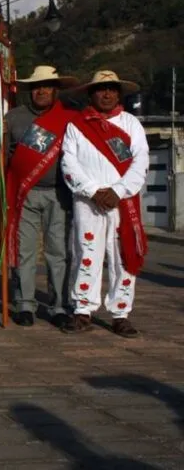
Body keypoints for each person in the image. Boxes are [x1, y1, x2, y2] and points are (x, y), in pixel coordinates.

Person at [61, 71, 149, 338]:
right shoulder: (76, 125)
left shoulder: (131, 124)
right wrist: (93, 190)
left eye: (111, 89)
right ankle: (83, 310)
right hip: (88, 203)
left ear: (119, 93)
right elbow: (69, 162)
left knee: (122, 256)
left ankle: (120, 313)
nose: (107, 94)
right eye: (101, 89)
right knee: (86, 254)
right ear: (91, 94)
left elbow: (141, 161)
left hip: (123, 202)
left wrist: (118, 191)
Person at [5, 66, 79, 327]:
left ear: (55, 90)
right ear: (30, 90)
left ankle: (59, 305)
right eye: (37, 86)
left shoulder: (70, 118)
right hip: (24, 193)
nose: (42, 90)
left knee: (57, 252)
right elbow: (5, 157)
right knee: (24, 252)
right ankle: (25, 304)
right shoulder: (13, 118)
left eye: (47, 86)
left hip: (59, 194)